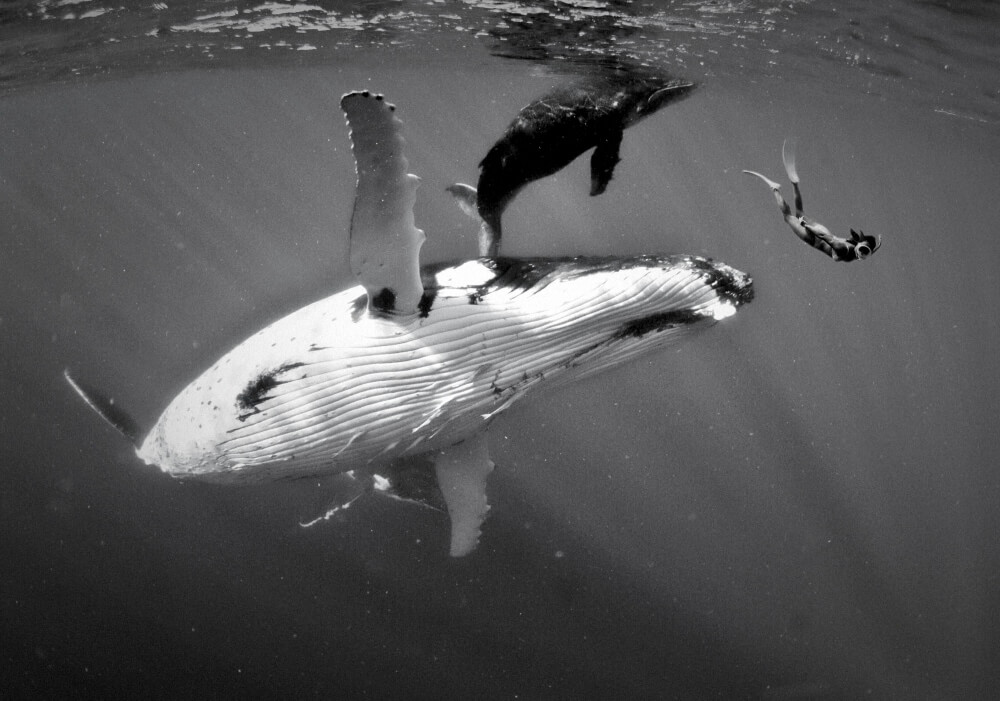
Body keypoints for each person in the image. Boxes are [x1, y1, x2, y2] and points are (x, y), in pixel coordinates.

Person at [744, 140, 880, 262]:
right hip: (815, 238)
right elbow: (825, 238)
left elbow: (866, 248)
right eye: (864, 250)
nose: (861, 253)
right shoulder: (843, 250)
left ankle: (795, 184)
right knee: (787, 216)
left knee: (799, 212)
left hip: (824, 231)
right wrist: (807, 227)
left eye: (864, 252)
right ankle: (775, 188)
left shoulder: (857, 246)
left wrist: (876, 245)